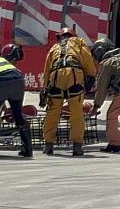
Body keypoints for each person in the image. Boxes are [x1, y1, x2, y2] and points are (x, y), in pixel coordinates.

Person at [41, 27, 97, 156]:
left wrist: (45, 89)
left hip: (55, 76)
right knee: (76, 113)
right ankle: (77, 146)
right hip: (74, 75)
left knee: (52, 112)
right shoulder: (79, 42)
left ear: (59, 37)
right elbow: (88, 60)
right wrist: (91, 77)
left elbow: (47, 69)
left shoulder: (54, 48)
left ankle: (48, 145)